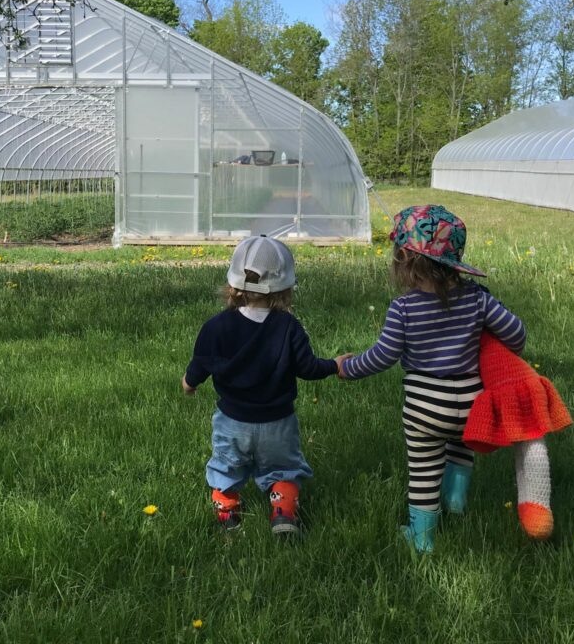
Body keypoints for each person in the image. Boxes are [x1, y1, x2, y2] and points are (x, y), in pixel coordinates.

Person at [338, 205, 527, 553]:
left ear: (406, 260)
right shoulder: (477, 298)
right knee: (459, 445)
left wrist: (347, 368)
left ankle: (422, 538)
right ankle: (455, 502)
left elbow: (382, 356)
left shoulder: (404, 309)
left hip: (425, 406)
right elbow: (517, 336)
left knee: (424, 470)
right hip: (472, 402)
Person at [182, 236, 348, 537]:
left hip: (232, 422)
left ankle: (228, 514)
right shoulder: (288, 327)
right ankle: (283, 514)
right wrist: (334, 365)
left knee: (226, 467)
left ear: (233, 284)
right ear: (285, 288)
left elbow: (201, 362)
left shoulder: (216, 327)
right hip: (278, 422)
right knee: (283, 468)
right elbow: (307, 368)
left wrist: (189, 383)